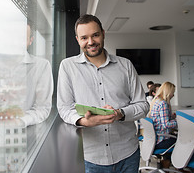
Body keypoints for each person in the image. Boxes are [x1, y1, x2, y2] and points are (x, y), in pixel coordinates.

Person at [57, 14, 149, 173]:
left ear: (103, 33)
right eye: (84, 38)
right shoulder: (67, 66)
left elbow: (143, 105)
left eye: (95, 35)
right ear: (78, 39)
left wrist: (120, 113)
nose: (90, 42)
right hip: (91, 157)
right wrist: (84, 122)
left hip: (127, 153)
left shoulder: (125, 65)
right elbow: (65, 108)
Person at [148, 82, 177, 168]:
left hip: (153, 140)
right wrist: (178, 121)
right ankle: (179, 166)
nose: (173, 95)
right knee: (183, 141)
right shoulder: (163, 104)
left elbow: (160, 119)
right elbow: (166, 124)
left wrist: (170, 116)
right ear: (168, 92)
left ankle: (165, 164)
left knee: (174, 137)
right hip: (160, 140)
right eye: (173, 92)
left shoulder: (156, 101)